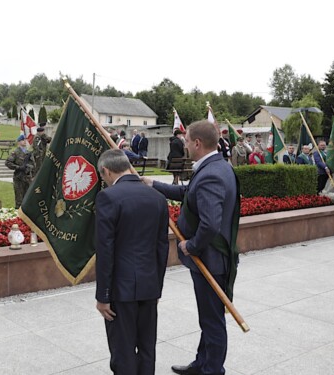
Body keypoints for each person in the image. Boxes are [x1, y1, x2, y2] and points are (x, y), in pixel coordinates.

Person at [141, 120, 240, 375]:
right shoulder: (216, 166)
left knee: (212, 321)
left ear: (197, 143)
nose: (184, 145)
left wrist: (191, 246)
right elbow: (189, 193)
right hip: (212, 258)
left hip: (210, 259)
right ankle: (202, 363)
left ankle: (212, 370)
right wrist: (155, 185)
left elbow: (210, 224)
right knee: (209, 318)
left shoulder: (211, 174)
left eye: (186, 141)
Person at [95, 149, 169, 375]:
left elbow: (105, 250)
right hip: (149, 285)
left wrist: (103, 296)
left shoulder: (108, 197)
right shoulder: (157, 197)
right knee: (147, 348)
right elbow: (162, 248)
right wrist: (157, 288)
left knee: (123, 350)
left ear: (106, 171)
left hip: (120, 289)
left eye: (102, 176)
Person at [5, 134, 34, 208]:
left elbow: (33, 164)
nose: (24, 141)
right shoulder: (15, 152)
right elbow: (8, 163)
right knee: (19, 199)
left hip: (27, 178)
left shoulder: (28, 153)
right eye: (22, 140)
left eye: (25, 140)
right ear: (18, 142)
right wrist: (18, 167)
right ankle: (18, 217)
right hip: (19, 178)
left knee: (28, 199)